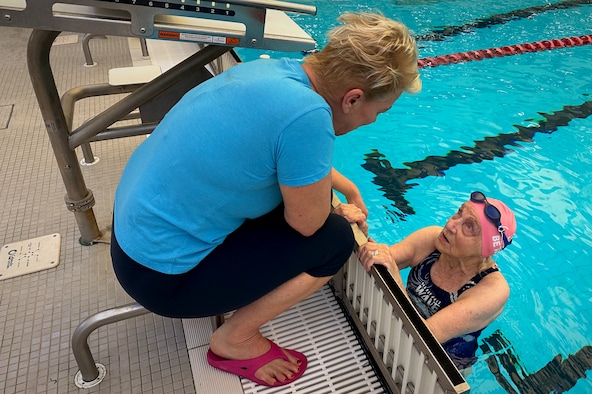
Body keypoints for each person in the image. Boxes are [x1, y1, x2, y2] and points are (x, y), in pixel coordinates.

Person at [111, 12, 421, 388]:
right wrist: (335, 207)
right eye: (380, 110)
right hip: (161, 280)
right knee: (334, 238)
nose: (374, 120)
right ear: (353, 98)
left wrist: (347, 188)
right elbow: (308, 223)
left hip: (130, 237)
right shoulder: (308, 116)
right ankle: (235, 339)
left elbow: (279, 152)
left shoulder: (274, 71)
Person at [358, 191, 516, 374]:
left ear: (485, 248)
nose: (450, 224)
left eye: (469, 227)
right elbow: (382, 260)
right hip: (397, 327)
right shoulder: (433, 240)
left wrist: (395, 278)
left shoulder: (492, 290)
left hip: (441, 367)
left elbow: (423, 339)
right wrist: (361, 235)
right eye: (458, 213)